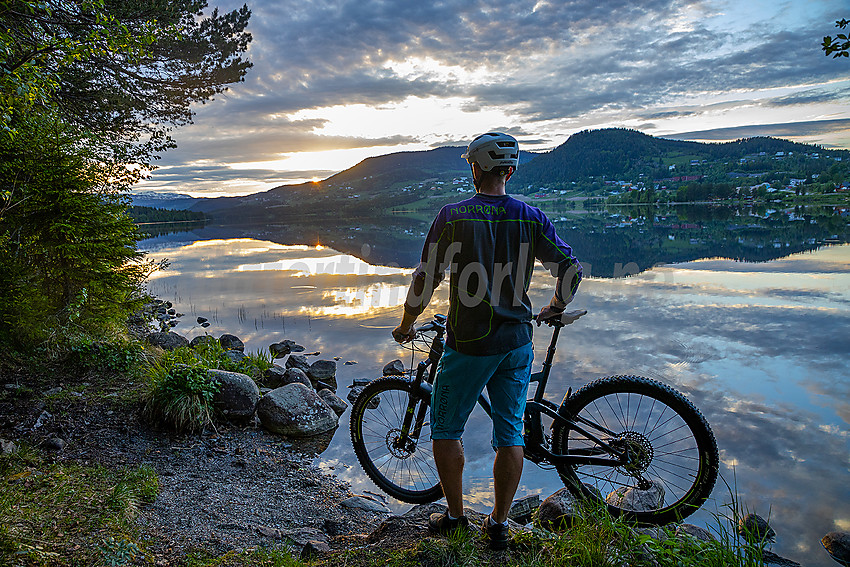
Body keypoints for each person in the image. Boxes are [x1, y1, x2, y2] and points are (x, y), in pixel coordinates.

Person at [392, 132, 582, 550]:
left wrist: (406, 324)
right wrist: (554, 305)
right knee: (510, 432)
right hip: (517, 342)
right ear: (510, 171)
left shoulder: (453, 216)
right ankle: (498, 524)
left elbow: (425, 279)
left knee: (445, 428)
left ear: (474, 168)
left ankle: (456, 516)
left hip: (470, 345)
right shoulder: (531, 216)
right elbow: (570, 268)